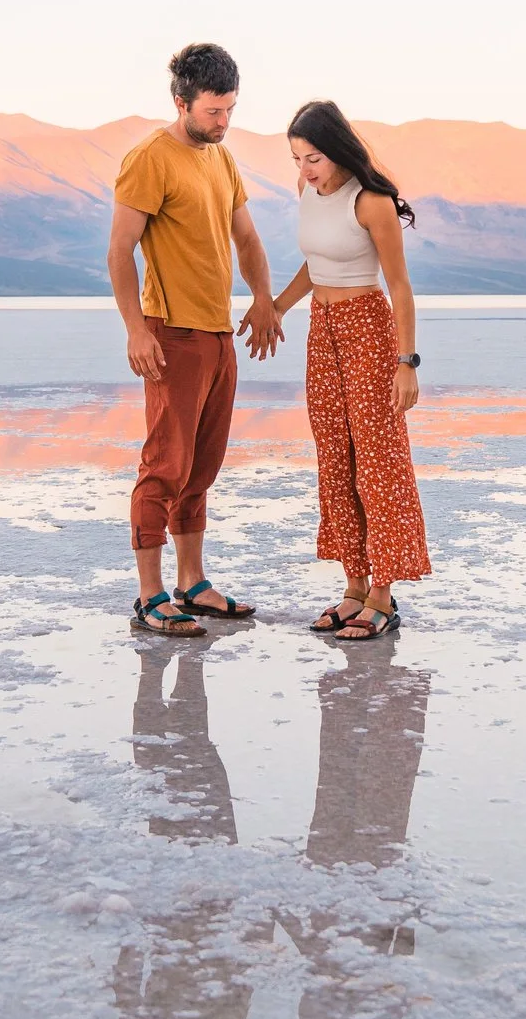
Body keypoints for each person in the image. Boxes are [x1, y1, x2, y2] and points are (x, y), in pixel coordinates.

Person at [109, 42, 285, 636]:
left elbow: (247, 238)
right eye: (214, 111)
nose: (224, 121)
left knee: (202, 467)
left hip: (217, 333)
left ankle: (192, 583)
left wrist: (263, 298)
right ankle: (149, 595)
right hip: (171, 334)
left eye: (230, 109)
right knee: (166, 464)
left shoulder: (221, 158)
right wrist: (136, 329)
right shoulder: (149, 159)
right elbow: (119, 251)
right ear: (181, 102)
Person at [265, 100, 431, 638]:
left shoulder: (371, 202)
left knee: (377, 462)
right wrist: (276, 307)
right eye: (296, 159)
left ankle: (382, 596)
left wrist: (406, 363)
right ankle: (353, 587)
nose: (304, 169)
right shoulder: (307, 191)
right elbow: (317, 264)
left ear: (336, 150)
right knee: (335, 458)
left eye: (313, 158)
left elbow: (399, 286)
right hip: (324, 331)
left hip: (369, 330)